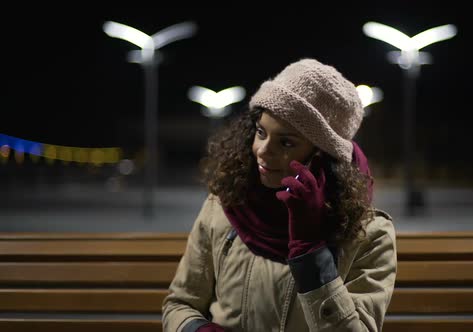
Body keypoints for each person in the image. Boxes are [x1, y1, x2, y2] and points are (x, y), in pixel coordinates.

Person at [162, 58, 397, 332]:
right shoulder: (225, 203)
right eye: (260, 132)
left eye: (286, 142)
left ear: (322, 158)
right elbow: (179, 305)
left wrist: (310, 250)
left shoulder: (370, 234)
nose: (263, 150)